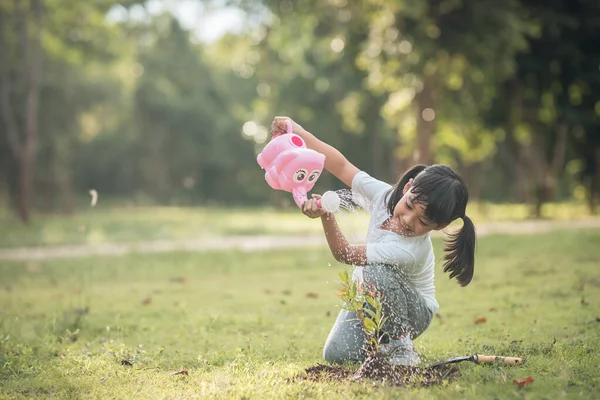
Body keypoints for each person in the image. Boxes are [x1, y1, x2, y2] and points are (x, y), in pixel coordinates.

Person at [270, 116, 476, 366]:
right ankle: (381, 346)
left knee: (376, 272)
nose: (409, 220)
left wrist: (326, 214)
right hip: (371, 296)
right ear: (407, 187)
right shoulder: (384, 195)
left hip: (414, 312)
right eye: (409, 205)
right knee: (336, 355)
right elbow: (340, 165)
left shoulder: (409, 249)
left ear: (439, 227)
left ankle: (401, 346)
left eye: (423, 222)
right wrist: (300, 133)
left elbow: (344, 253)